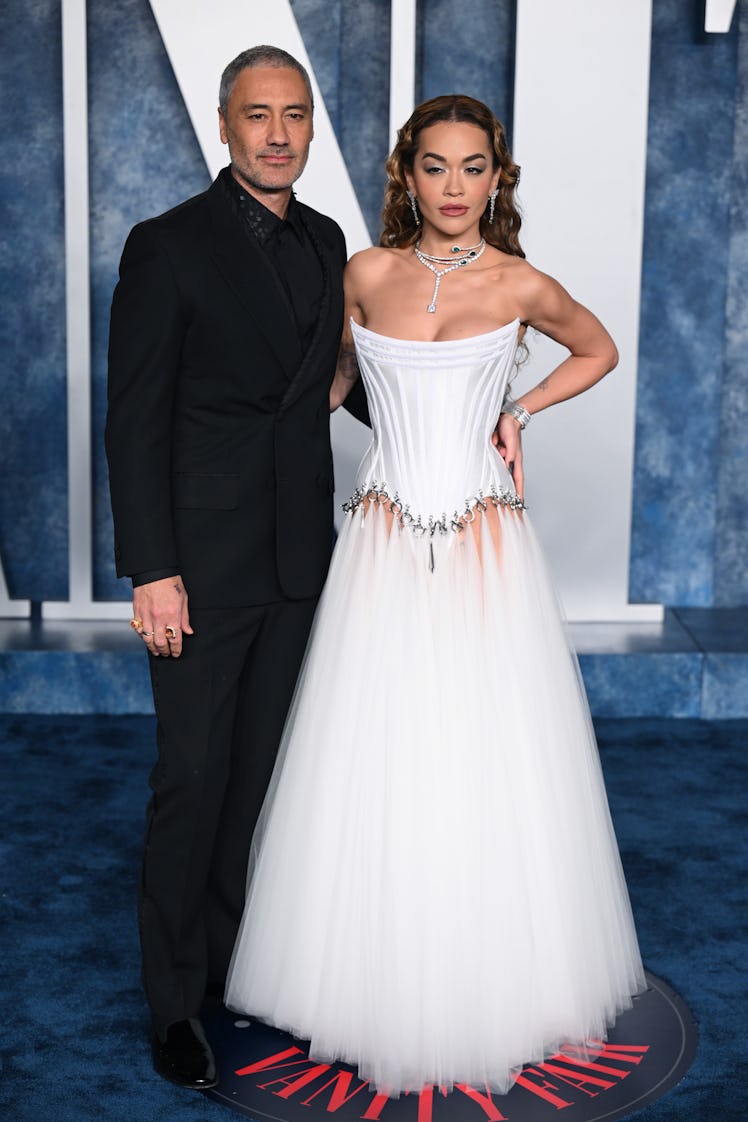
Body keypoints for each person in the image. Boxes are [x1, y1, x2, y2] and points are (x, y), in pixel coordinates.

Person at [224, 94, 646, 1097]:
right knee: (376, 752)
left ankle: (496, 980)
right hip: (379, 540)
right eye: (434, 168)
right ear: (405, 177)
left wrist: (519, 413)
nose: (453, 189)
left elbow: (598, 349)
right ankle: (365, 980)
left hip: (481, 545)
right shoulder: (362, 274)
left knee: (481, 751)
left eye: (471, 169)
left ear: (496, 180)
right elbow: (323, 388)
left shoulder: (521, 283)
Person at [105, 45, 367, 1090]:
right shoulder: (166, 246)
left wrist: (463, 424)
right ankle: (173, 1008)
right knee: (193, 781)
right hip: (200, 569)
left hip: (300, 560)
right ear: (223, 126)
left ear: (309, 128)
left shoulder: (329, 239)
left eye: (293, 114)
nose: (275, 132)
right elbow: (135, 423)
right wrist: (151, 570)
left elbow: (333, 382)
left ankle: (223, 976)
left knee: (258, 788)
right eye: (255, 114)